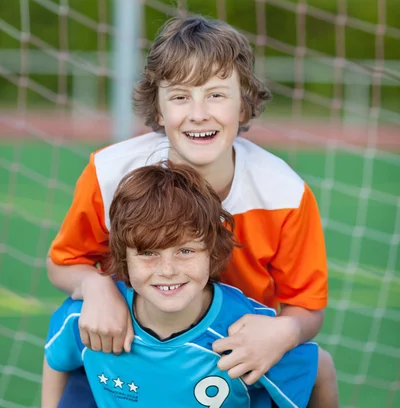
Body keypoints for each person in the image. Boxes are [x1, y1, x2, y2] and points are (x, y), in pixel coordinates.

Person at [47, 16, 339, 406]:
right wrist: (96, 286)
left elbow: (306, 308)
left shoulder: (283, 194)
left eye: (216, 95)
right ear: (159, 108)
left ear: (244, 104)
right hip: (129, 353)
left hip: (229, 363)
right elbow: (63, 263)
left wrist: (284, 333)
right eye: (181, 96)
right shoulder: (110, 173)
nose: (199, 113)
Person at [43, 162, 320, 408]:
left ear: (212, 253)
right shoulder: (89, 318)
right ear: (123, 258)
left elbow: (321, 371)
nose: (167, 270)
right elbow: (57, 358)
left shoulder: (246, 333)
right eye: (148, 253)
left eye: (185, 251)